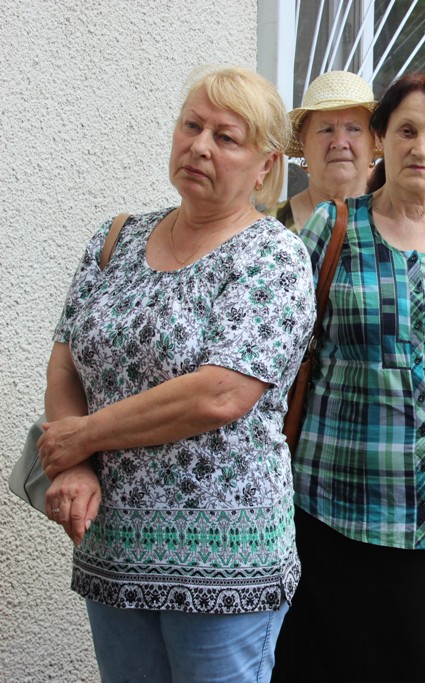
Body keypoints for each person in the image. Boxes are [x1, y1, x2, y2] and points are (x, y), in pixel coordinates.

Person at [37, 66, 315, 681]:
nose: (200, 146)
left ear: (266, 166)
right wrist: (73, 467)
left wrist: (84, 437)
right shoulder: (115, 239)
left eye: (226, 137)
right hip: (113, 549)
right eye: (192, 126)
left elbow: (221, 392)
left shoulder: (273, 254)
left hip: (224, 564)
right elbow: (66, 362)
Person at [274, 73, 425, 683]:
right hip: (332, 510)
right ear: (381, 138)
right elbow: (280, 357)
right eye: (407, 130)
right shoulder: (331, 227)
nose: (421, 148)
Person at [272, 70, 376, 231]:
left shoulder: (401, 225)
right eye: (326, 130)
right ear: (303, 141)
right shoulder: (269, 229)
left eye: (354, 129)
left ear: (374, 141)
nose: (340, 143)